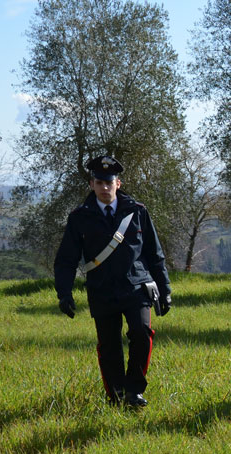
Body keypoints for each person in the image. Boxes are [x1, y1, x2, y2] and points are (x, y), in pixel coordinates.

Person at [54, 156, 172, 408]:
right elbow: (66, 259)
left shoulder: (137, 212)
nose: (104, 187)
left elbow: (154, 254)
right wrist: (64, 293)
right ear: (92, 184)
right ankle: (116, 395)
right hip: (102, 289)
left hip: (136, 286)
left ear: (118, 183)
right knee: (109, 346)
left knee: (142, 334)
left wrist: (165, 290)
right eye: (99, 182)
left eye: (109, 182)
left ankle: (134, 391)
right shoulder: (79, 218)